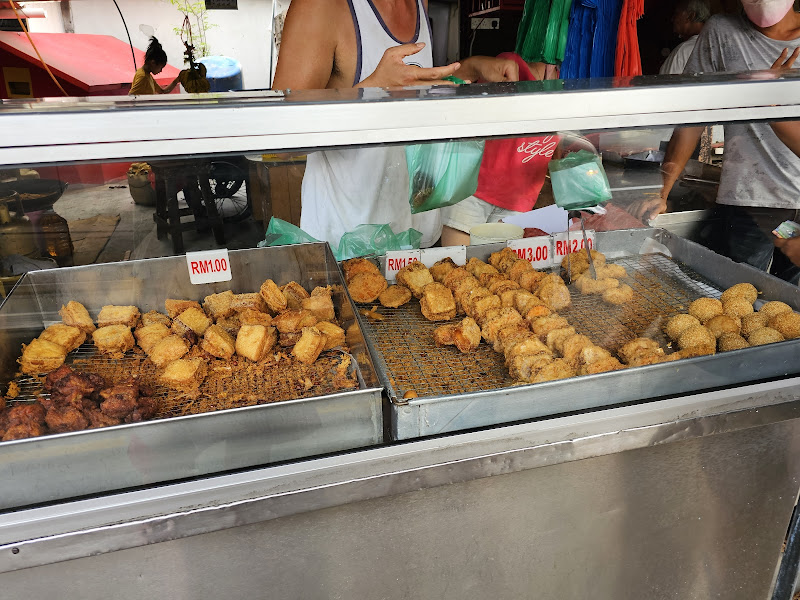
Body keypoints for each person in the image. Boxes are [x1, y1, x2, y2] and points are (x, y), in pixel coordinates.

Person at [272, 0, 520, 250]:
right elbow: (278, 137)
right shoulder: (319, 6)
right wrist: (372, 90)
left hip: (416, 238)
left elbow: (413, 84)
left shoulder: (420, 4)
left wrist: (471, 67)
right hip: (349, 248)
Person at [633, 0, 800, 284]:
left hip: (795, 208)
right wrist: (662, 190)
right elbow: (694, 118)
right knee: (738, 297)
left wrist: (770, 102)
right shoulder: (723, 32)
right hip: (752, 204)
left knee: (790, 308)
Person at [440, 53, 559, 246]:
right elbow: (454, 88)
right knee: (456, 266)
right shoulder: (512, 66)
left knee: (499, 271)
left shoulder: (574, 79)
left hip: (518, 201)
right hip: (473, 191)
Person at [659, 0, 712, 75]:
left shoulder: (683, 51)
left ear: (691, 16)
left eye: (676, 14)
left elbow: (666, 85)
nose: (672, 19)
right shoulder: (718, 45)